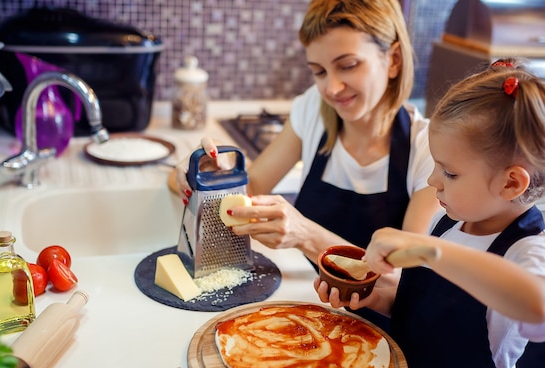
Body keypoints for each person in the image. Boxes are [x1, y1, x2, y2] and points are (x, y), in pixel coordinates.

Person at [171, 0, 440, 315]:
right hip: (307, 309)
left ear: (393, 60)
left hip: (380, 333)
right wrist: (210, 172)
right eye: (319, 71)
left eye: (348, 65)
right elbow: (253, 188)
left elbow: (403, 282)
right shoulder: (313, 109)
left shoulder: (428, 150)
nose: (332, 88)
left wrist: (305, 236)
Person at [316, 58, 545, 368]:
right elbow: (428, 316)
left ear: (511, 182)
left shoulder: (529, 249)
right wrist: (376, 298)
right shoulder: (449, 224)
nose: (433, 181)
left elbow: (536, 305)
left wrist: (431, 251)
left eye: (450, 173)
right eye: (436, 165)